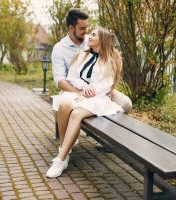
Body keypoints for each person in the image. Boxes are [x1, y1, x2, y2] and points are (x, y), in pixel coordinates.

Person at [46, 27, 124, 178]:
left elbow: (107, 85)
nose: (89, 36)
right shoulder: (82, 55)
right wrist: (84, 88)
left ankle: (60, 160)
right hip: (81, 93)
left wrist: (91, 93)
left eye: (93, 35)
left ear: (102, 40)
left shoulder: (110, 61)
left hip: (98, 99)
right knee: (64, 104)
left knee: (76, 114)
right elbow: (72, 77)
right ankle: (65, 149)